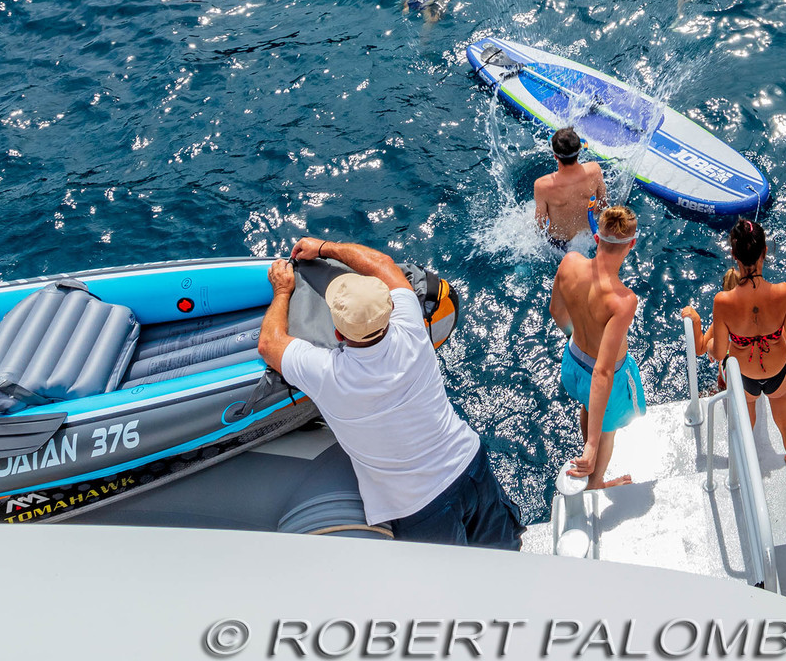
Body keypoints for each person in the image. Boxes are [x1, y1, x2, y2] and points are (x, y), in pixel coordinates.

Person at [258, 237, 520, 547]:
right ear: (391, 308)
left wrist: (282, 290)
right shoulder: (412, 327)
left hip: (419, 504)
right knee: (504, 553)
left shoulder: (328, 374)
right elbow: (382, 263)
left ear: (338, 333)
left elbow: (269, 344)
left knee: (444, 576)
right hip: (469, 463)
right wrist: (324, 247)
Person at [683, 217, 786, 509]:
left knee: (745, 427)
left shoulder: (723, 301)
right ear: (765, 250)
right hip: (779, 373)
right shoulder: (784, 293)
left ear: (734, 255)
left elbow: (717, 352)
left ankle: (742, 476)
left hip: (744, 378)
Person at [550, 202, 649, 489]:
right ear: (631, 244)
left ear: (596, 238)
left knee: (588, 404)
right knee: (607, 433)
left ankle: (591, 456)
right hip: (608, 381)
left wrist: (580, 335)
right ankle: (595, 483)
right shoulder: (623, 300)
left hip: (572, 365)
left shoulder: (569, 263)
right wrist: (591, 445)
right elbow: (603, 372)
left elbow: (556, 311)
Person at [534, 125, 607, 253]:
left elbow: (540, 222)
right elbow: (603, 203)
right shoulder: (594, 169)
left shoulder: (543, 185)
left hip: (558, 243)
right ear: (580, 149)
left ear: (555, 156)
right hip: (588, 236)